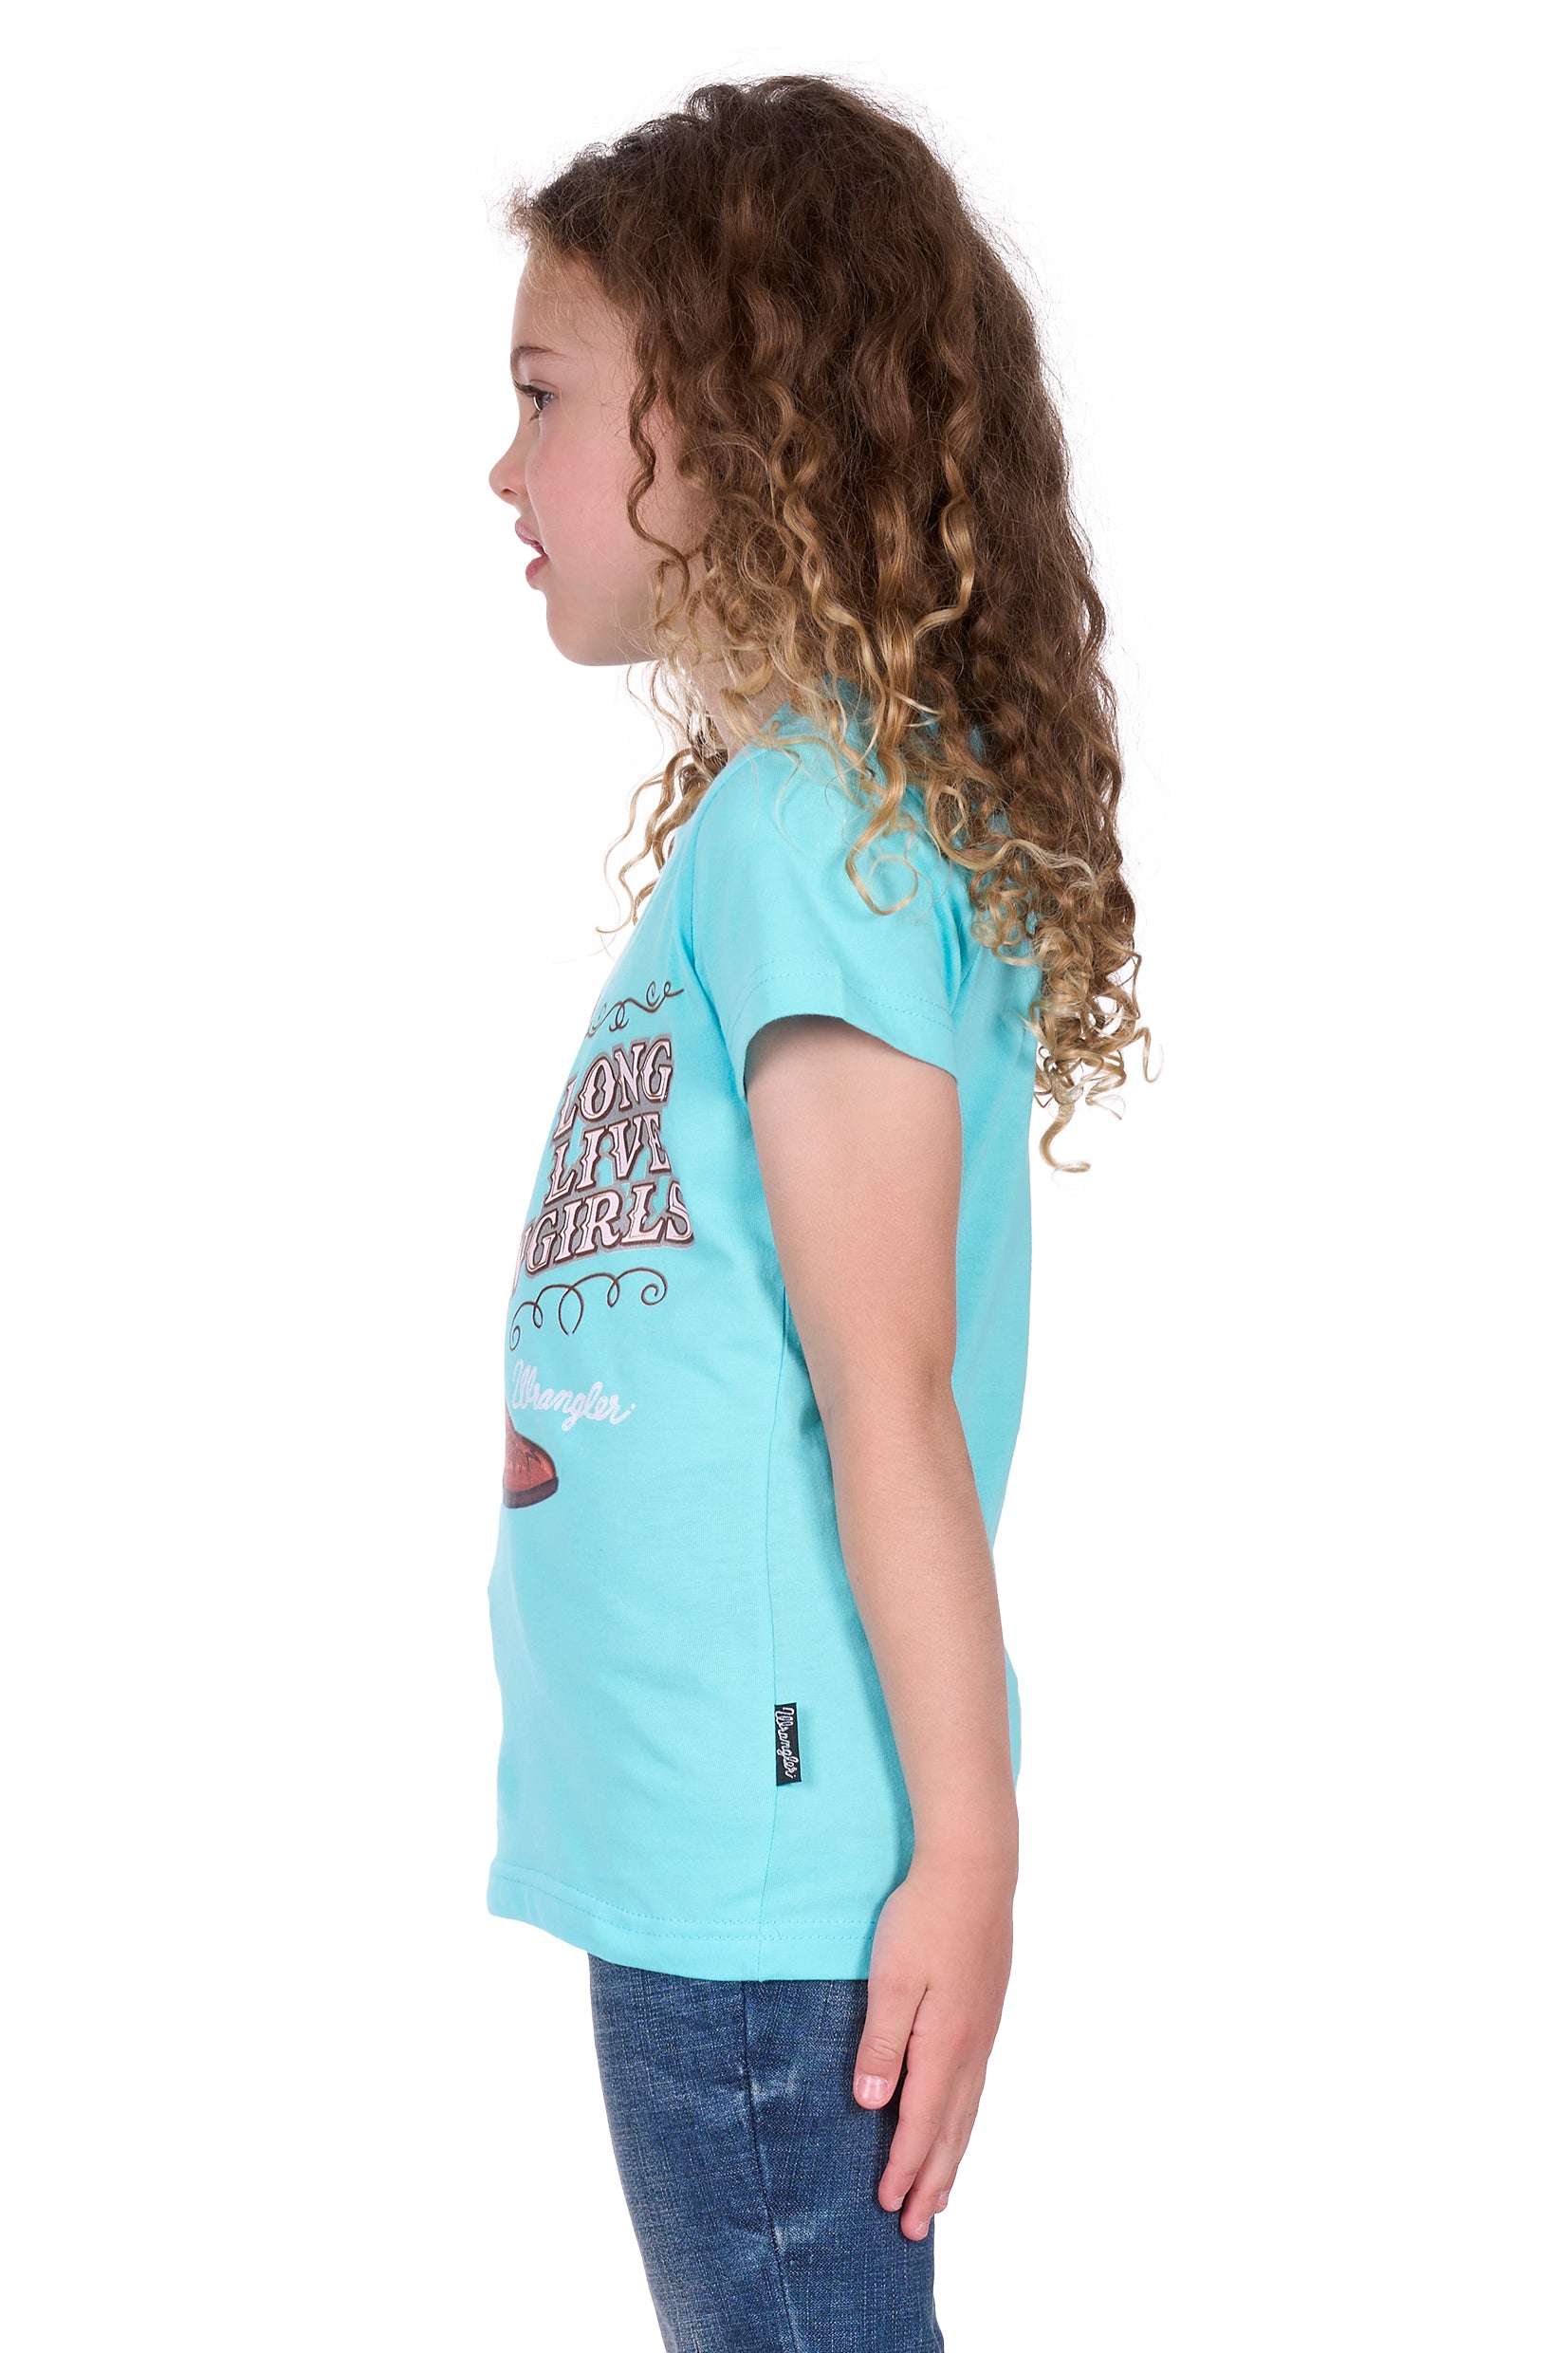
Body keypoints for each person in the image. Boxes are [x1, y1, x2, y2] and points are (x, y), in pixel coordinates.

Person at [483, 70, 1153, 2352]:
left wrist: (965, 1849)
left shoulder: (813, 833)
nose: (503, 467)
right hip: (704, 1846)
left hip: (766, 1887)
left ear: (724, 425)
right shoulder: (790, 823)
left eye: (544, 395)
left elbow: (889, 1387)